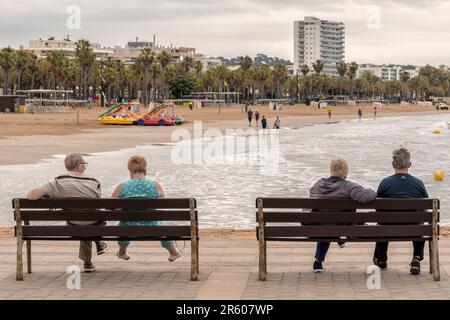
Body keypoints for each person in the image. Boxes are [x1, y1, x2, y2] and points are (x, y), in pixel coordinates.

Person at [27, 153, 108, 273]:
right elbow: (97, 205)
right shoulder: (94, 183)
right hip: (94, 224)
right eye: (84, 164)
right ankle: (96, 246)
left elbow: (30, 196)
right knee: (88, 220)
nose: (85, 167)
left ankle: (88, 262)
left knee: (80, 220)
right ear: (78, 166)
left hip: (72, 225)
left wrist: (49, 197)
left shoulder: (57, 183)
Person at [310, 158, 377, 273]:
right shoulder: (349, 186)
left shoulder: (318, 185)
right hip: (343, 227)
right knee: (341, 218)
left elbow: (312, 193)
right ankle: (339, 238)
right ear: (346, 172)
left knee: (327, 220)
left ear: (331, 170)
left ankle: (318, 262)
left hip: (320, 227)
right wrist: (373, 191)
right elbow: (366, 196)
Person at [112, 156, 182, 262]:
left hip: (128, 228)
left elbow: (110, 207)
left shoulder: (122, 186)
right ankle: (173, 252)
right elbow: (163, 203)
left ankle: (122, 252)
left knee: (122, 224)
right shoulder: (154, 185)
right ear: (145, 170)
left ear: (130, 171)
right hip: (153, 227)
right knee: (162, 223)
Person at [373, 148, 429, 275]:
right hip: (414, 229)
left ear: (393, 164)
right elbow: (425, 208)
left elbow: (378, 208)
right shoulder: (418, 183)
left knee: (381, 224)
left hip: (388, 228)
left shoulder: (385, 183)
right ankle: (416, 258)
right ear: (410, 164)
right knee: (421, 224)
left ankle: (382, 259)